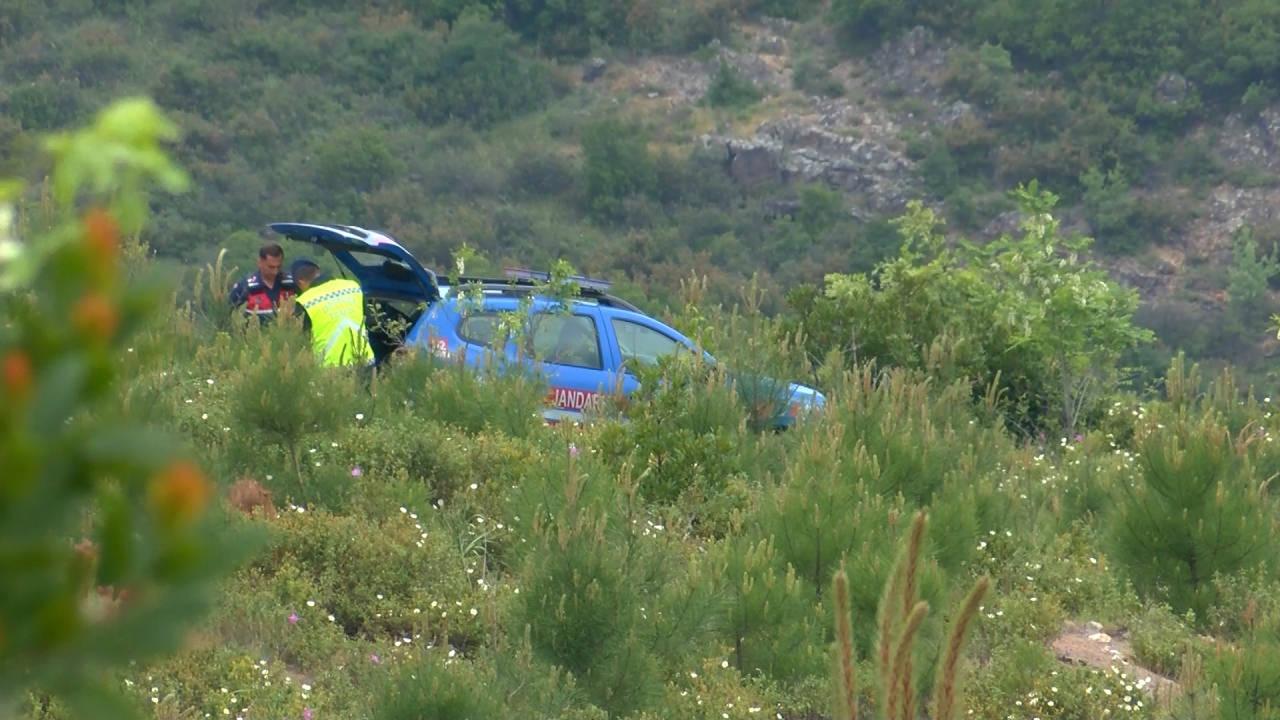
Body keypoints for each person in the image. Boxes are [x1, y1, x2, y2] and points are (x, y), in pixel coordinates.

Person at [290, 258, 375, 367]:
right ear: (318, 271)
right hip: (365, 361)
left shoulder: (305, 301)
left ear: (300, 281)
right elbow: (371, 322)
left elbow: (300, 342)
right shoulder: (352, 287)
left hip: (331, 370)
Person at [229, 243, 296, 320]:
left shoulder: (291, 283)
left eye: (279, 266)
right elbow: (230, 312)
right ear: (260, 263)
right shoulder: (245, 286)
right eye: (271, 267)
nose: (275, 271)